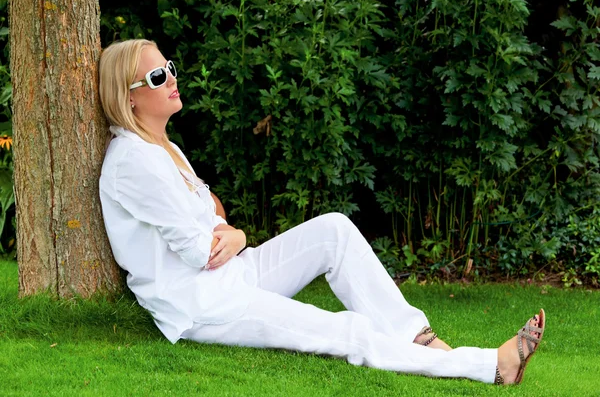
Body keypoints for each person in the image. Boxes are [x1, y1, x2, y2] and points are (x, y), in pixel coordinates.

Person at [98, 39, 545, 386]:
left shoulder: (163, 147)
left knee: (333, 230)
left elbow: (211, 214)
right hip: (202, 303)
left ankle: (415, 337)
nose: (172, 78)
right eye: (157, 76)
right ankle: (489, 366)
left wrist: (230, 234)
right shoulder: (134, 161)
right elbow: (201, 249)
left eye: (169, 68)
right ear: (129, 96)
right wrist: (230, 235)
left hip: (228, 273)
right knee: (345, 331)